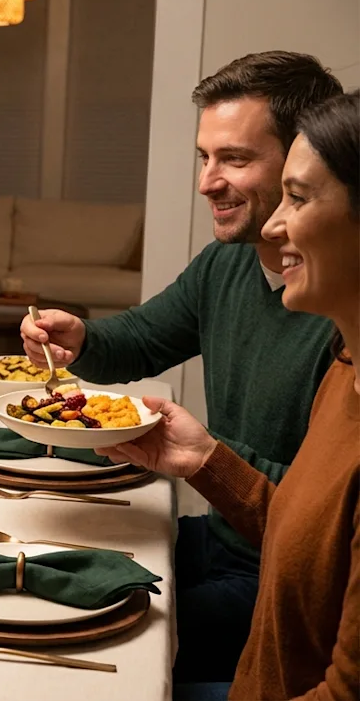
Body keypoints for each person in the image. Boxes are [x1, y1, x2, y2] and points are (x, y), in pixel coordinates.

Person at [18, 51, 343, 683]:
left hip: (275, 581)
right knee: (45, 556)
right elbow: (141, 337)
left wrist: (207, 457)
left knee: (71, 637)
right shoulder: (228, 265)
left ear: (305, 158)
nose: (207, 182)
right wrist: (80, 337)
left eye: (236, 159)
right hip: (219, 536)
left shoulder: (340, 311)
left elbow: (322, 520)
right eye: (205, 157)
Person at [99, 90, 359, 701]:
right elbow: (310, 534)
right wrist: (201, 460)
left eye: (297, 197)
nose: (272, 226)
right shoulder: (348, 372)